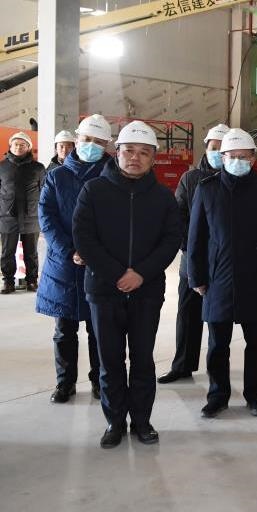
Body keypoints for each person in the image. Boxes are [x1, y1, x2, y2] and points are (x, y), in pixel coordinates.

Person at [73, 120, 182, 448]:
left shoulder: (163, 197)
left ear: (153, 158)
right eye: (129, 150)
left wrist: (141, 274)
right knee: (109, 361)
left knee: (143, 360)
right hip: (103, 290)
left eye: (144, 152)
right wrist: (117, 274)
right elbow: (84, 237)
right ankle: (115, 422)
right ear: (116, 152)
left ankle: (142, 422)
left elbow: (171, 240)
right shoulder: (94, 190)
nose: (135, 157)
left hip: (147, 291)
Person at [187, 128, 257, 418]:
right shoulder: (207, 189)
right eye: (232, 156)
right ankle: (217, 397)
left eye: (244, 156)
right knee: (217, 345)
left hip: (256, 277)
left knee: (256, 344)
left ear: (253, 158)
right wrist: (196, 277)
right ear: (222, 157)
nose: (238, 161)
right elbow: (196, 238)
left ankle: (255, 396)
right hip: (217, 279)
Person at [37, 114, 114, 403]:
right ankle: (65, 383)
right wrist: (70, 251)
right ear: (76, 139)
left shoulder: (113, 176)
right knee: (64, 329)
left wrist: (94, 253)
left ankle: (99, 381)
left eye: (98, 141)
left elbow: (118, 221)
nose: (91, 145)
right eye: (86, 139)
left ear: (107, 144)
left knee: (99, 330)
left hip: (100, 266)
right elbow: (47, 218)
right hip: (63, 266)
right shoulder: (57, 176)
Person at [158, 123, 230, 384]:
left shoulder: (235, 181)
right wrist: (190, 247)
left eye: (222, 148)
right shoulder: (190, 179)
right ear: (206, 148)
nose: (217, 152)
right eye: (213, 147)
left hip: (223, 261)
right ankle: (182, 366)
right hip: (193, 257)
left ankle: (217, 371)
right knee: (188, 313)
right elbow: (178, 217)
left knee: (219, 317)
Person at [0, 131, 45, 294]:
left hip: (31, 217)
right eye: (16, 144)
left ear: (28, 148)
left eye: (23, 145)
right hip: (7, 217)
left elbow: (43, 192)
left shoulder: (38, 168)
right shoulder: (2, 167)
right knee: (7, 252)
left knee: (31, 252)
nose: (19, 147)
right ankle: (8, 282)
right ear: (10, 146)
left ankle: (32, 281)